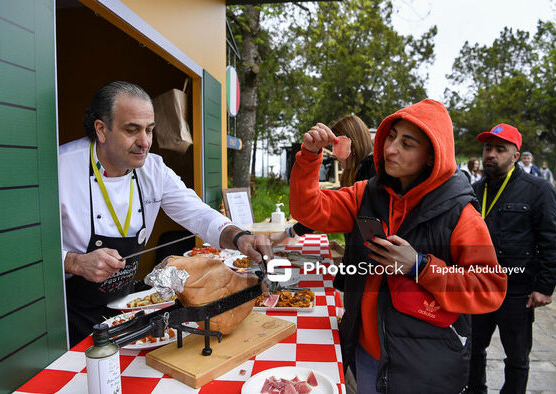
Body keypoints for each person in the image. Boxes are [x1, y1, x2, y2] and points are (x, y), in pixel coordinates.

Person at [289, 99, 507, 394]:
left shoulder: (460, 214)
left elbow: (489, 289)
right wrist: (309, 156)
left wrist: (420, 266)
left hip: (424, 368)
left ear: (432, 155)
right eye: (390, 137)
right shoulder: (367, 193)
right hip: (366, 354)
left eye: (407, 144)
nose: (391, 149)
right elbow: (309, 210)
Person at [59, 81, 271, 347]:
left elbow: (198, 214)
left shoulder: (154, 169)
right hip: (73, 313)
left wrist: (240, 237)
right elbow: (24, 248)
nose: (145, 142)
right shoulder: (60, 168)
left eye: (149, 130)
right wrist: (75, 262)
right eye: (132, 130)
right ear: (101, 129)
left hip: (129, 307)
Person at [468, 123, 556, 394]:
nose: (490, 154)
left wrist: (544, 286)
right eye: (487, 148)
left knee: (517, 358)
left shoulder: (537, 189)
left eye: (499, 149)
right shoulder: (475, 189)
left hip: (516, 290)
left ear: (515, 156)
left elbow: (551, 239)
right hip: (477, 287)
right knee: (472, 350)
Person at [270, 114, 375, 244]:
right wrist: (288, 233)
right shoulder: (357, 174)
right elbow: (323, 210)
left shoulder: (371, 175)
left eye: (336, 148)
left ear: (351, 147)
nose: (334, 156)